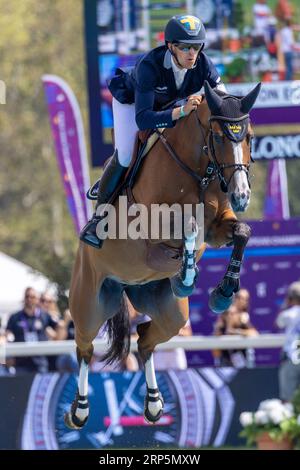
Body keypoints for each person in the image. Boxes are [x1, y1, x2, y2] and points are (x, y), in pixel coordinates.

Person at [80, 14, 226, 248]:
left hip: (169, 104)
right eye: (185, 47)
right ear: (170, 46)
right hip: (132, 104)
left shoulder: (204, 64)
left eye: (196, 47)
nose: (192, 54)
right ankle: (99, 219)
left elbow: (223, 102)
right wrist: (181, 112)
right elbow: (144, 119)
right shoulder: (149, 66)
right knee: (127, 154)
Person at [5, 287, 61, 374]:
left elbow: (59, 327)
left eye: (32, 297)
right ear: (24, 298)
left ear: (37, 299)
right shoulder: (15, 317)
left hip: (40, 363)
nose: (29, 299)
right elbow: (7, 334)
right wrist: (8, 353)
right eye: (27, 296)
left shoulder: (44, 315)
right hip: (21, 364)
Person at [276, 282, 300, 401]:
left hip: (292, 357)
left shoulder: (288, 314)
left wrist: (286, 305)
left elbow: (278, 323)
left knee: (288, 399)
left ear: (290, 298)